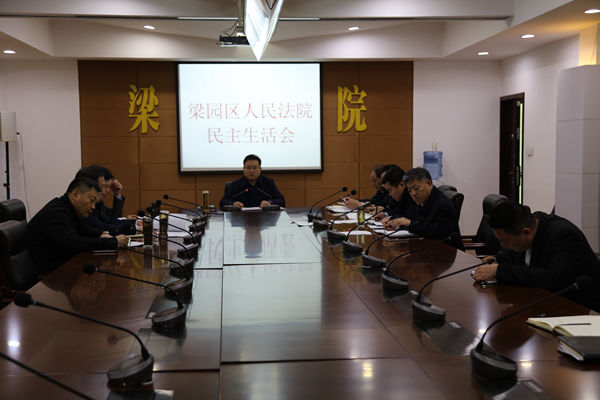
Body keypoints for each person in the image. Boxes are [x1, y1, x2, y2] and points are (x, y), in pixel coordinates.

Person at [472, 202, 600, 311]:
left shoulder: (563, 235)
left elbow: (552, 279)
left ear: (526, 232)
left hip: (580, 309)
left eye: (505, 241)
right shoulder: (531, 226)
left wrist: (500, 271)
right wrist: (497, 259)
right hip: (544, 303)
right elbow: (515, 254)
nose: (503, 245)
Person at [27, 177, 129, 275]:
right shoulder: (57, 212)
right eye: (92, 200)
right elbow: (74, 243)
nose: (93, 207)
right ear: (76, 194)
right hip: (50, 275)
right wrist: (112, 241)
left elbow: (84, 229)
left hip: (65, 265)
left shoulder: (68, 208)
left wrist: (101, 234)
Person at [384, 167, 463, 249]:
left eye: (416, 188)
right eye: (410, 190)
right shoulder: (422, 200)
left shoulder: (442, 203)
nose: (413, 194)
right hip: (428, 247)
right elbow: (414, 220)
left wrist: (409, 223)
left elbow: (439, 232)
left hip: (446, 251)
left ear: (429, 184)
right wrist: (398, 223)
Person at [75, 165, 136, 236]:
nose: (106, 190)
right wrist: (133, 227)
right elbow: (100, 227)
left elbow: (110, 219)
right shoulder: (75, 209)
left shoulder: (98, 203)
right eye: (103, 186)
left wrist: (134, 223)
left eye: (108, 187)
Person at [220, 154, 285, 209]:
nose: (251, 171)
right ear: (244, 169)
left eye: (254, 168)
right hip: (241, 218)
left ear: (260, 169)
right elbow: (223, 202)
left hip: (264, 217)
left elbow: (281, 201)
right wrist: (233, 203)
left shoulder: (268, 182)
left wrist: (269, 202)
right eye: (248, 168)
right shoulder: (235, 184)